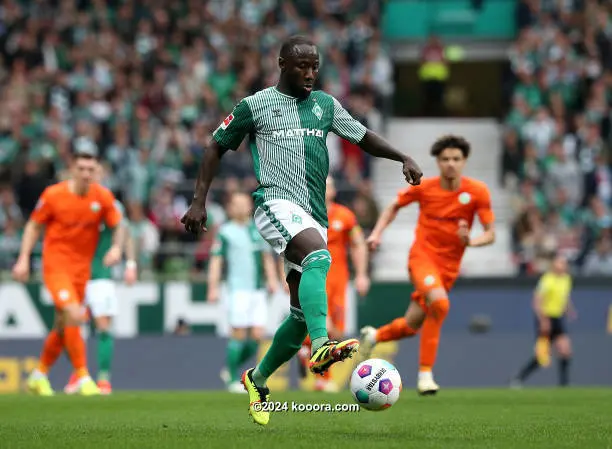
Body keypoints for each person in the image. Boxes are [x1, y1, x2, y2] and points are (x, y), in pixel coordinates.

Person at [181, 35, 422, 426]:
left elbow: (362, 137)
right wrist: (198, 200)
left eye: (315, 66)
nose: (310, 73)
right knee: (319, 257)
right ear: (281, 64)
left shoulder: (325, 106)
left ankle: (257, 379)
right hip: (274, 204)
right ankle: (322, 345)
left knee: (296, 316)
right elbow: (215, 147)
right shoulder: (255, 106)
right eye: (301, 66)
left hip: (315, 214)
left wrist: (403, 156)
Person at [360, 134, 496, 395]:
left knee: (411, 325)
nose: (451, 164)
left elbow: (491, 234)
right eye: (445, 159)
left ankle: (374, 336)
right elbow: (393, 206)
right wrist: (377, 233)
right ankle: (425, 375)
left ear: (464, 161)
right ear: (437, 161)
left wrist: (471, 241)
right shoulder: (425, 187)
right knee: (440, 304)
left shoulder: (477, 192)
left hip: (448, 269)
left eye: (456, 159)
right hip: (421, 259)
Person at [12, 146, 123, 396]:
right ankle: (83, 377)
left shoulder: (101, 197)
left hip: (82, 271)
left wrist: (116, 248)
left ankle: (38, 375)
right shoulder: (54, 195)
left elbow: (118, 225)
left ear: (97, 171)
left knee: (62, 326)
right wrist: (23, 258)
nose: (86, 174)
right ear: (72, 169)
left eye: (90, 170)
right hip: (56, 266)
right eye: (81, 169)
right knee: (74, 313)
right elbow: (33, 226)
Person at [64, 162, 138, 395]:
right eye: (84, 171)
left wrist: (130, 263)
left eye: (95, 172)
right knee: (72, 326)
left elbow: (124, 232)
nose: (89, 175)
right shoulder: (69, 201)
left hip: (101, 276)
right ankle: (79, 374)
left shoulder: (110, 204)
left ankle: (104, 378)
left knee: (103, 325)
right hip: (74, 274)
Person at [298, 176, 370, 392]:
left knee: (337, 332)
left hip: (339, 281)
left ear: (334, 190)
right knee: (326, 329)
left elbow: (358, 245)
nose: (324, 188)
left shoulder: (345, 216)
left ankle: (304, 351)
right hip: (316, 279)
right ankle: (323, 378)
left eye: (328, 185)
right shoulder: (305, 214)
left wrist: (362, 274)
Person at [208, 192, 279, 393]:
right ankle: (231, 377)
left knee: (257, 336)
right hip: (237, 289)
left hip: (257, 290)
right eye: (236, 204)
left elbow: (267, 258)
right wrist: (213, 287)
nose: (240, 207)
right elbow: (216, 260)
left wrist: (272, 280)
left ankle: (228, 368)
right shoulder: (224, 231)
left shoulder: (258, 229)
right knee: (237, 334)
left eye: (244, 203)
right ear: (230, 208)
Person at [510, 254, 576, 388]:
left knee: (565, 350)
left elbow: (565, 297)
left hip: (557, 318)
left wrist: (569, 309)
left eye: (564, 263)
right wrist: (543, 320)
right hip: (546, 318)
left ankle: (564, 384)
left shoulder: (566, 279)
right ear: (554, 265)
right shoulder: (547, 280)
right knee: (542, 357)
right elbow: (537, 301)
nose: (563, 266)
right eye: (560, 263)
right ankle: (518, 378)